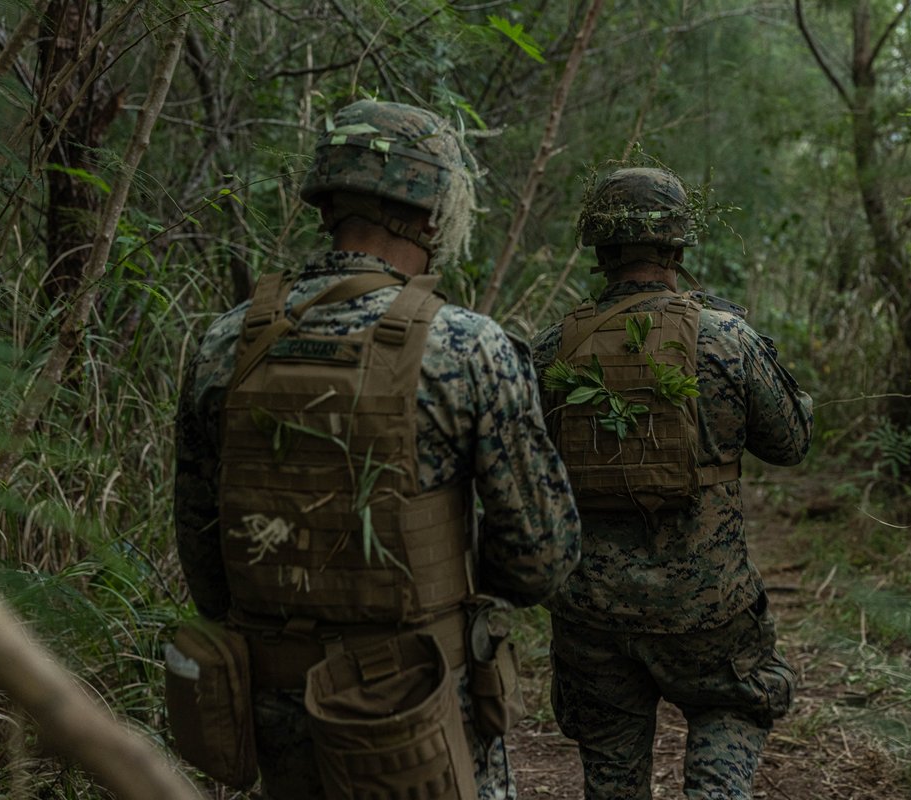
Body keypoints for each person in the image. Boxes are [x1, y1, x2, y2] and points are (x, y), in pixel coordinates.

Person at [174, 99, 581, 800]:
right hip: (420, 714)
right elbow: (542, 558)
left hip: (275, 713)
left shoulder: (226, 342)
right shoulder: (467, 346)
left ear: (328, 203)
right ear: (432, 217)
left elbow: (206, 563)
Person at [531, 166, 813, 799]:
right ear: (677, 248)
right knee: (732, 706)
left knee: (610, 768)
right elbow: (791, 445)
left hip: (591, 610)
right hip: (708, 606)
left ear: (600, 249)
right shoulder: (726, 339)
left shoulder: (551, 349)